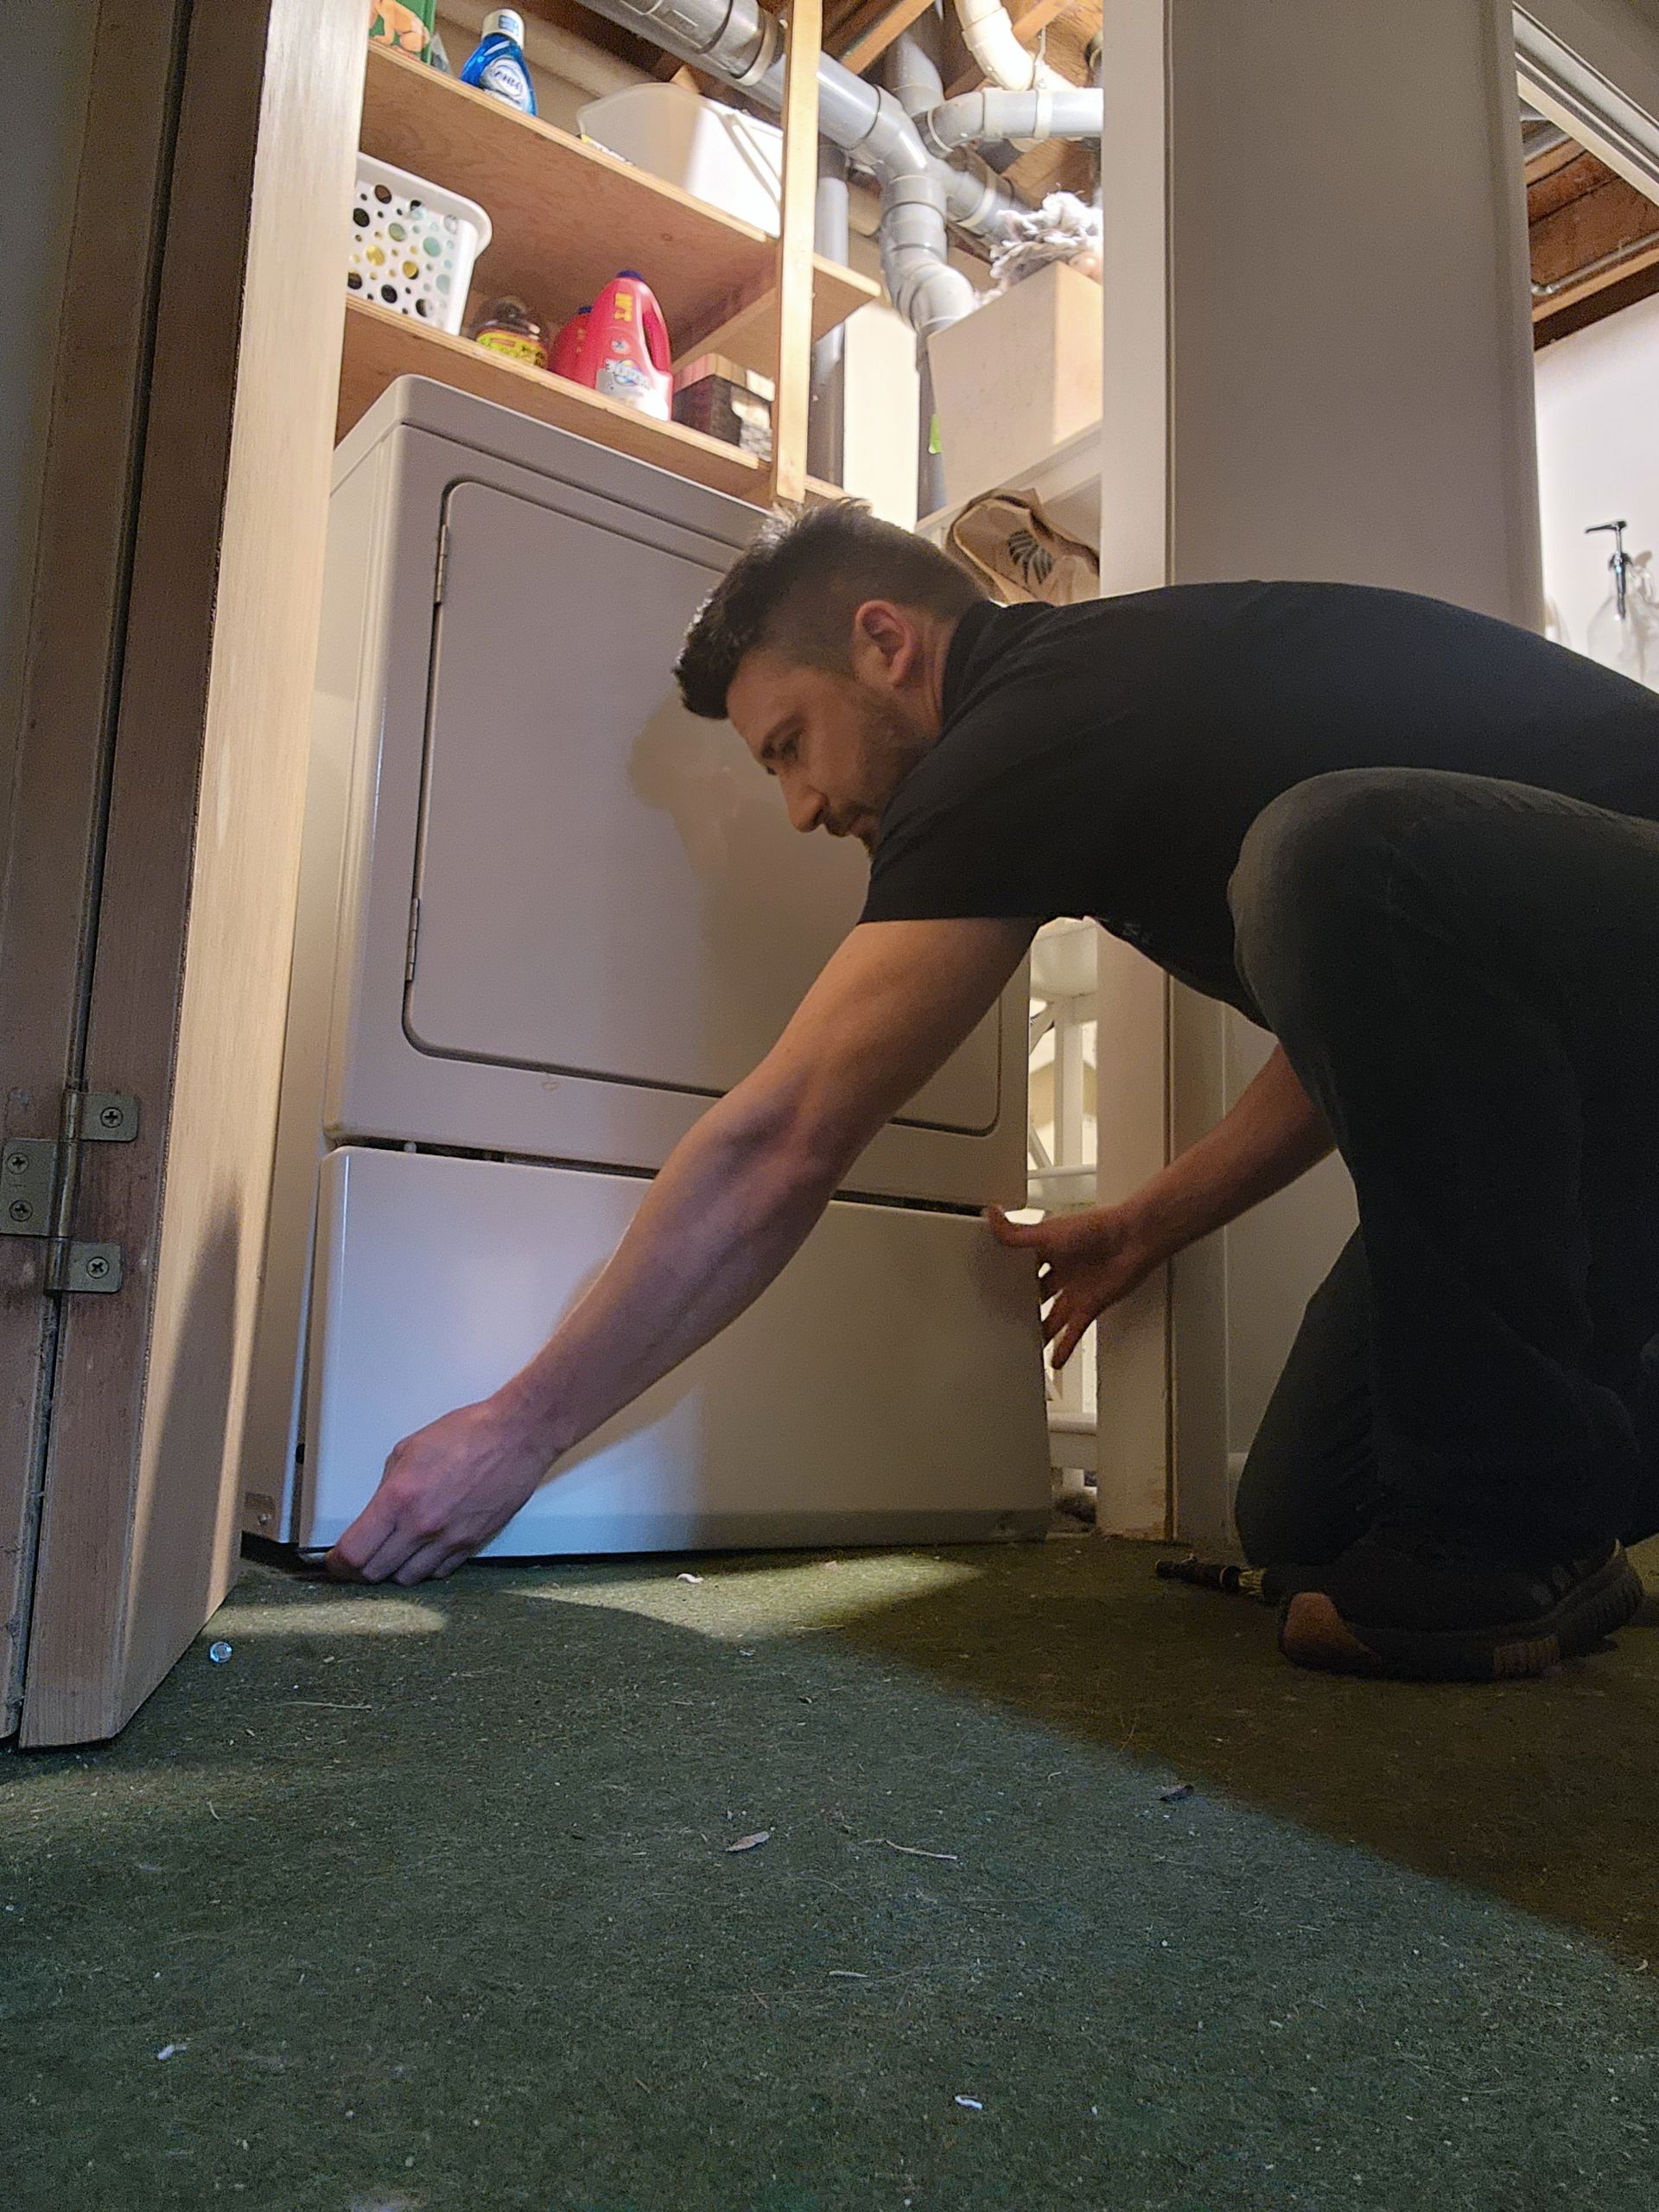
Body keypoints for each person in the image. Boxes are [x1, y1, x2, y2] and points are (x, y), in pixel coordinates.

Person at [326, 502, 1659, 1683]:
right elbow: (1377, 1042)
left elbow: (788, 1139)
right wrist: (1148, 1223)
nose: (798, 807)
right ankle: (1559, 1506)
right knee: (1313, 1517)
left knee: (1336, 852)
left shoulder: (1027, 729)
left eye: (789, 745)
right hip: (1608, 1088)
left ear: (885, 643)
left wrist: (518, 1428)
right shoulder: (1097, 731)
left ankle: (1511, 1528)